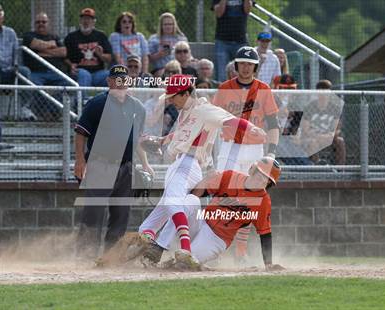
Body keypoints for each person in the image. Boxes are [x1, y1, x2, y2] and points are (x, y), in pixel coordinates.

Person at [136, 74, 266, 262]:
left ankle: (174, 248)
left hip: (187, 163)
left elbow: (229, 120)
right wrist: (161, 140)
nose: (171, 101)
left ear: (186, 93)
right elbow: (180, 134)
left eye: (174, 96)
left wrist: (252, 128)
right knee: (161, 217)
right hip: (184, 164)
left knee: (173, 203)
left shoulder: (204, 109)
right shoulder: (185, 112)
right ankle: (151, 242)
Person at [110, 157, 284, 271]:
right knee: (191, 200)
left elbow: (265, 233)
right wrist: (199, 187)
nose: (261, 180)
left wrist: (268, 264)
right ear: (252, 170)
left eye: (267, 180)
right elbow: (200, 190)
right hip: (201, 222)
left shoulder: (263, 201)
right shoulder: (231, 177)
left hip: (217, 239)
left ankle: (169, 263)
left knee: (184, 265)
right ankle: (159, 247)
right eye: (260, 174)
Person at [74, 64, 152, 258]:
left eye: (124, 79)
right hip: (101, 164)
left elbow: (138, 139)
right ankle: (85, 256)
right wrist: (79, 160)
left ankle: (111, 257)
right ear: (109, 81)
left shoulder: (138, 108)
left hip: (126, 167)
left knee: (121, 213)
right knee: (94, 212)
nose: (120, 83)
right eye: (116, 79)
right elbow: (80, 133)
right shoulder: (96, 104)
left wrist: (145, 163)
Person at [213, 46, 280, 263]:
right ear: (235, 65)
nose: (245, 67)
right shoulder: (224, 88)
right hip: (229, 146)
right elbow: (213, 121)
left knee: (250, 200)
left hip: (255, 149)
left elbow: (273, 124)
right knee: (223, 196)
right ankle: (216, 245)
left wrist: (271, 152)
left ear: (255, 67)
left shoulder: (264, 89)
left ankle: (240, 251)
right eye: (242, 63)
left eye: (249, 64)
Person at [0, 4, 36, 120]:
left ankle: (25, 109)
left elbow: (17, 54)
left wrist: (16, 66)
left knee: (24, 71)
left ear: (2, 17)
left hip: (9, 71)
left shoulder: (10, 33)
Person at [64, 8, 112, 87]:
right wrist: (71, 65)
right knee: (84, 75)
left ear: (94, 22)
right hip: (80, 71)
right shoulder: (71, 37)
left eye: (89, 19)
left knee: (112, 75)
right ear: (80, 21)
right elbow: (65, 57)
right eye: (84, 19)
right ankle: (83, 99)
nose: (86, 21)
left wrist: (101, 55)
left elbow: (109, 58)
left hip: (98, 73)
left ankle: (110, 99)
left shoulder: (101, 36)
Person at [302, 80, 346, 165]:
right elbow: (305, 129)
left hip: (328, 137)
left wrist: (328, 135)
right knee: (312, 142)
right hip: (313, 137)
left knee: (340, 141)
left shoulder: (335, 108)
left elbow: (337, 129)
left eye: (326, 92)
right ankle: (317, 168)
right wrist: (317, 136)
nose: (323, 95)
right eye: (321, 92)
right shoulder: (309, 107)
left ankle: (340, 169)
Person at [22, 12, 67, 86]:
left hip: (55, 72)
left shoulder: (54, 37)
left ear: (48, 23)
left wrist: (42, 51)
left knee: (70, 84)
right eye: (38, 22)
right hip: (36, 72)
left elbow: (63, 52)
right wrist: (52, 45)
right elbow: (36, 45)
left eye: (44, 22)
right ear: (34, 24)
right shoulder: (28, 36)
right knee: (34, 86)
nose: (41, 24)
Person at [212, 0, 252, 82]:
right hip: (222, 40)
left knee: (243, 73)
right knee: (222, 76)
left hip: (241, 40)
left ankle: (242, 94)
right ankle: (223, 94)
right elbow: (219, 13)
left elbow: (247, 10)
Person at [148, 12, 187, 77]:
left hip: (179, 68)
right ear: (161, 26)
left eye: (170, 24)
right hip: (160, 68)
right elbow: (148, 59)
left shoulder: (181, 38)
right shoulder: (154, 39)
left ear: (174, 25)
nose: (168, 26)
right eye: (165, 24)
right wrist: (159, 55)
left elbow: (188, 55)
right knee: (165, 74)